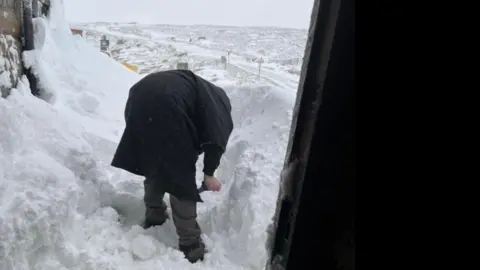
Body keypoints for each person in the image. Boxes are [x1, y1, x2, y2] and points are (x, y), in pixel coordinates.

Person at [111, 69, 234, 263]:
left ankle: (154, 215)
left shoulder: (201, 93)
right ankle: (191, 244)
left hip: (139, 96)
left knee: (154, 159)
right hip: (167, 103)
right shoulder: (219, 110)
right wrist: (209, 174)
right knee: (180, 178)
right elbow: (216, 143)